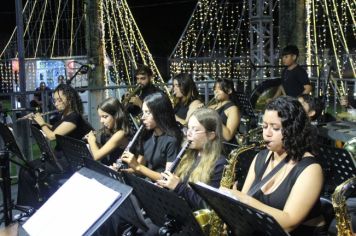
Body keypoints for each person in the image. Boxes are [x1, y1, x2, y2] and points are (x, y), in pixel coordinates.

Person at [221, 96, 326, 235]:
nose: (267, 133)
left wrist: (244, 199)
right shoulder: (260, 157)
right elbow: (244, 207)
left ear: (293, 129)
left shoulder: (310, 169)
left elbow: (289, 222)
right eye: (264, 126)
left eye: (275, 128)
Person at [17, 84, 93, 208]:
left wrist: (41, 123)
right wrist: (38, 122)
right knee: (26, 168)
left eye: (59, 100)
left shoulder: (75, 117)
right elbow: (55, 129)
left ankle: (29, 207)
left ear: (69, 100)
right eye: (55, 100)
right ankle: (31, 206)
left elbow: (52, 136)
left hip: (70, 160)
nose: (56, 103)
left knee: (27, 171)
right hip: (60, 156)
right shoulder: (65, 116)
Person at [157, 108, 227, 210]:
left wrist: (178, 187)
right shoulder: (188, 155)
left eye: (195, 130)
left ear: (211, 135)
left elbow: (208, 206)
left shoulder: (219, 164)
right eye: (188, 128)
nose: (188, 133)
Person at [118, 92, 183, 182]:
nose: (143, 118)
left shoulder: (172, 140)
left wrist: (137, 166)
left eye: (148, 113)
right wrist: (122, 171)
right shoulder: (147, 134)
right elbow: (140, 169)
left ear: (160, 113)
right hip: (147, 183)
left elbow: (167, 178)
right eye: (143, 112)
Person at [85, 97, 131, 166]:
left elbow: (96, 156)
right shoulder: (111, 130)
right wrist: (96, 143)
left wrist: (91, 140)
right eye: (100, 117)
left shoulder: (121, 133)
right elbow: (105, 150)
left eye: (105, 117)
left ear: (116, 115)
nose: (101, 121)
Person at [209, 78, 240, 145]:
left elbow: (228, 136)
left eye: (220, 89)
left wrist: (215, 117)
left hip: (223, 147)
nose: (216, 91)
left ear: (229, 91)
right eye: (215, 88)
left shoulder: (233, 109)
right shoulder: (212, 106)